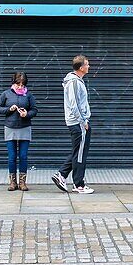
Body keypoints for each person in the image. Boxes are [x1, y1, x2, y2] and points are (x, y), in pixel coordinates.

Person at [52, 55, 93, 195]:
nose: (89, 66)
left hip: (79, 122)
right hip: (78, 123)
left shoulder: (76, 81)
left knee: (78, 152)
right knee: (80, 154)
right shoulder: (74, 82)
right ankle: (79, 184)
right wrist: (83, 122)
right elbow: (74, 105)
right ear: (81, 68)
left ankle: (61, 175)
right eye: (87, 64)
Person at [0, 71, 37, 191]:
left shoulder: (28, 95)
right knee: (12, 156)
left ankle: (22, 182)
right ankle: (12, 182)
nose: (20, 87)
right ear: (13, 83)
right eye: (18, 84)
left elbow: (34, 110)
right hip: (10, 127)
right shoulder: (6, 94)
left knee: (23, 156)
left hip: (25, 127)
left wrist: (27, 114)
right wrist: (9, 109)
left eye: (22, 85)